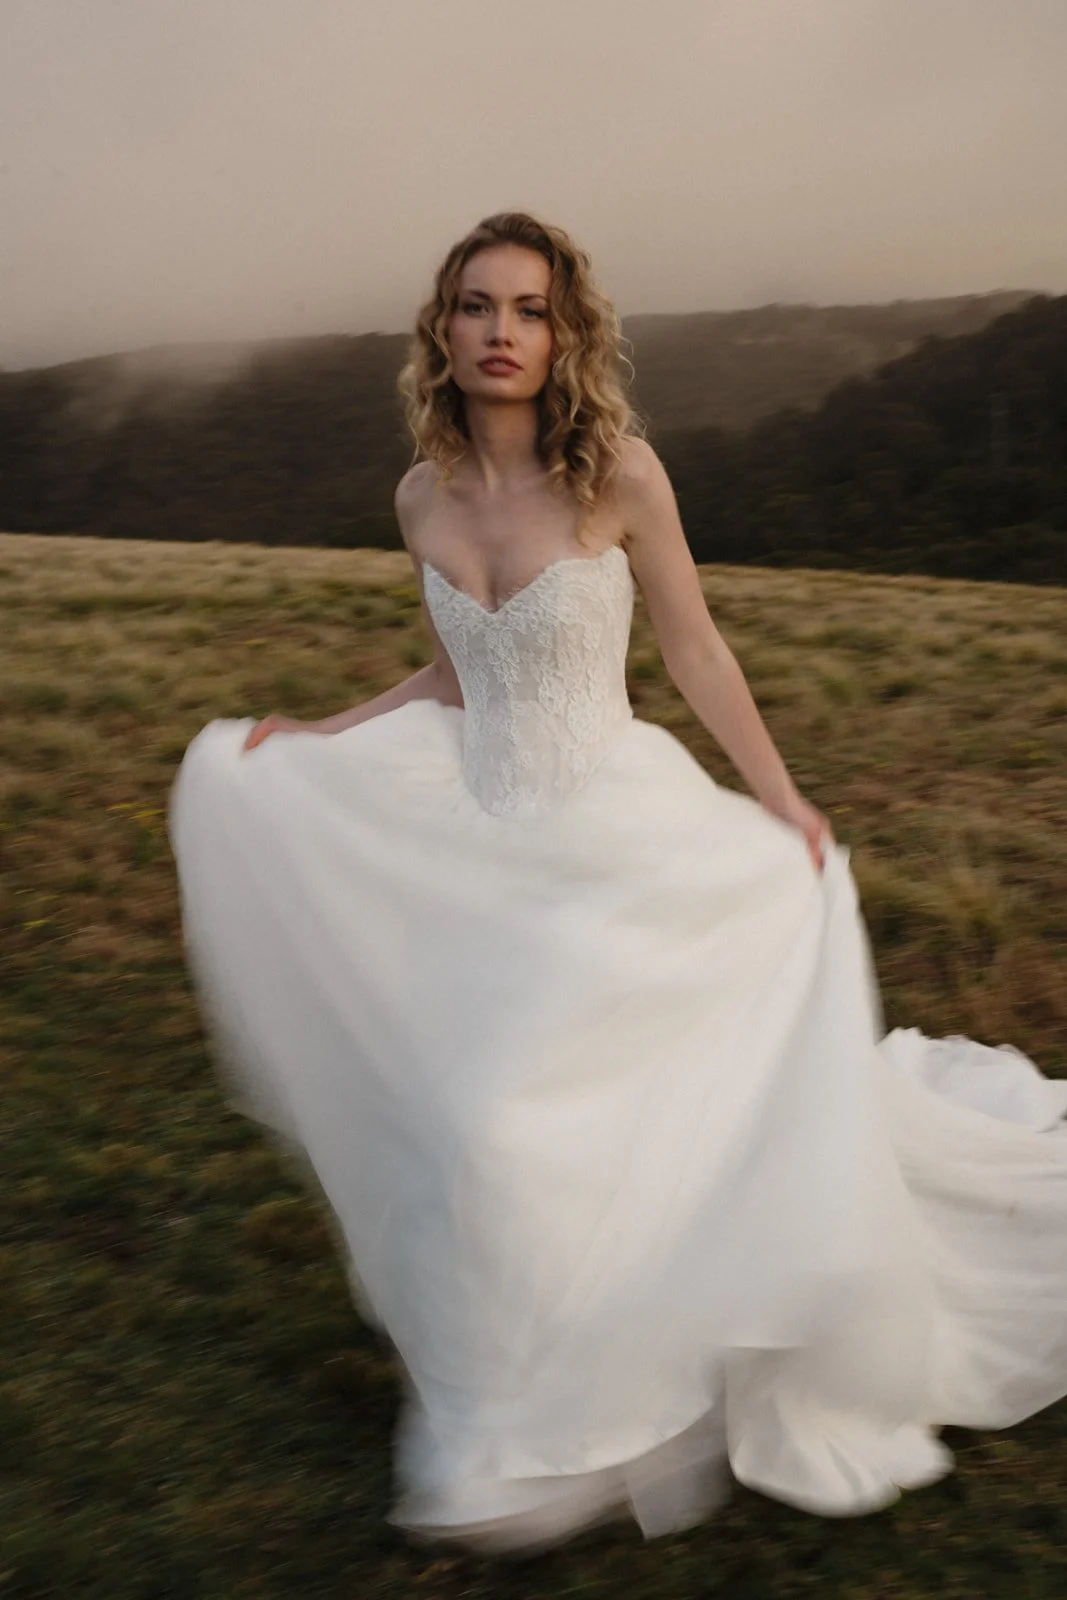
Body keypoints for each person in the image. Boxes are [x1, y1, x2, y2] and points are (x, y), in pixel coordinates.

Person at [169, 211, 1067, 1556]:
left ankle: (608, 1393)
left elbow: (695, 650)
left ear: (563, 333)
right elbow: (455, 672)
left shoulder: (620, 474)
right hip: (483, 850)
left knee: (515, 1123)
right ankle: (525, 1397)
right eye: (477, 306)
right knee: (476, 1129)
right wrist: (317, 734)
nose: (501, 332)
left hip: (616, 842)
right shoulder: (421, 494)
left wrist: (779, 797)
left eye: (529, 310)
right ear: (443, 328)